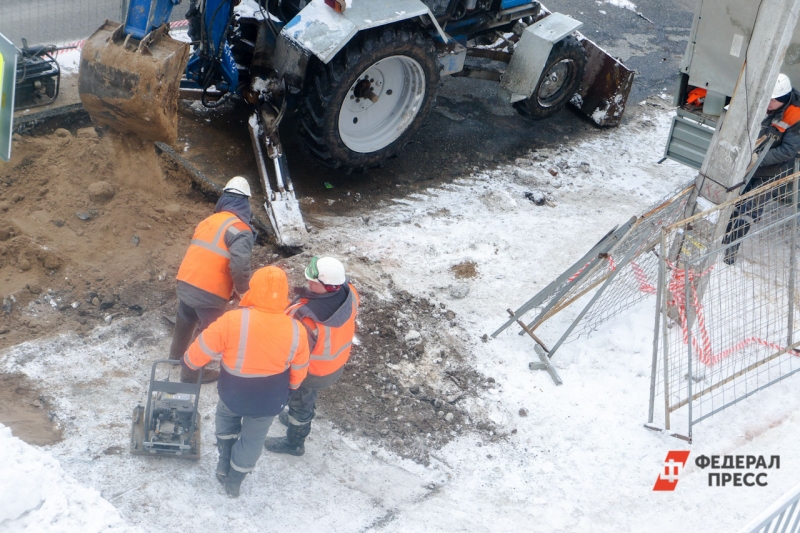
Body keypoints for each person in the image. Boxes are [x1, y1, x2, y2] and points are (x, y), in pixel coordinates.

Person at [181, 266, 310, 498]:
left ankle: (224, 461)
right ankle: (235, 480)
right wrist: (292, 386)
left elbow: (202, 348)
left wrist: (189, 362)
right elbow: (300, 366)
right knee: (253, 439)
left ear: (254, 289)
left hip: (234, 392)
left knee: (226, 419)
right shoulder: (296, 328)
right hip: (270, 398)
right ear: (284, 293)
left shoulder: (233, 320)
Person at [264, 256, 359, 457]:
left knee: (301, 402)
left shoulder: (306, 317)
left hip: (311, 373)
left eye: (313, 282)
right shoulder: (350, 293)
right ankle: (295, 415)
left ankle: (294, 442)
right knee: (305, 398)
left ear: (328, 286)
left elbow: (290, 351)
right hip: (334, 365)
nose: (308, 283)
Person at [168, 176, 255, 382]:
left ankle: (175, 358)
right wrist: (243, 290)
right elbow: (240, 265)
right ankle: (190, 373)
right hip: (210, 291)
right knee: (208, 333)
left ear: (224, 198)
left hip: (187, 281)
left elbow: (208, 255)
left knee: (185, 319)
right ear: (245, 203)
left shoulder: (209, 221)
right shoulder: (241, 230)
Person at [723, 73, 800, 264]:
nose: (767, 103)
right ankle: (724, 238)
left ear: (781, 99)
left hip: (769, 170)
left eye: (771, 101)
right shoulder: (768, 104)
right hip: (748, 164)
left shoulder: (795, 116)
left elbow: (788, 150)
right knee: (733, 202)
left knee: (749, 210)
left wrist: (757, 159)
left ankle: (730, 251)